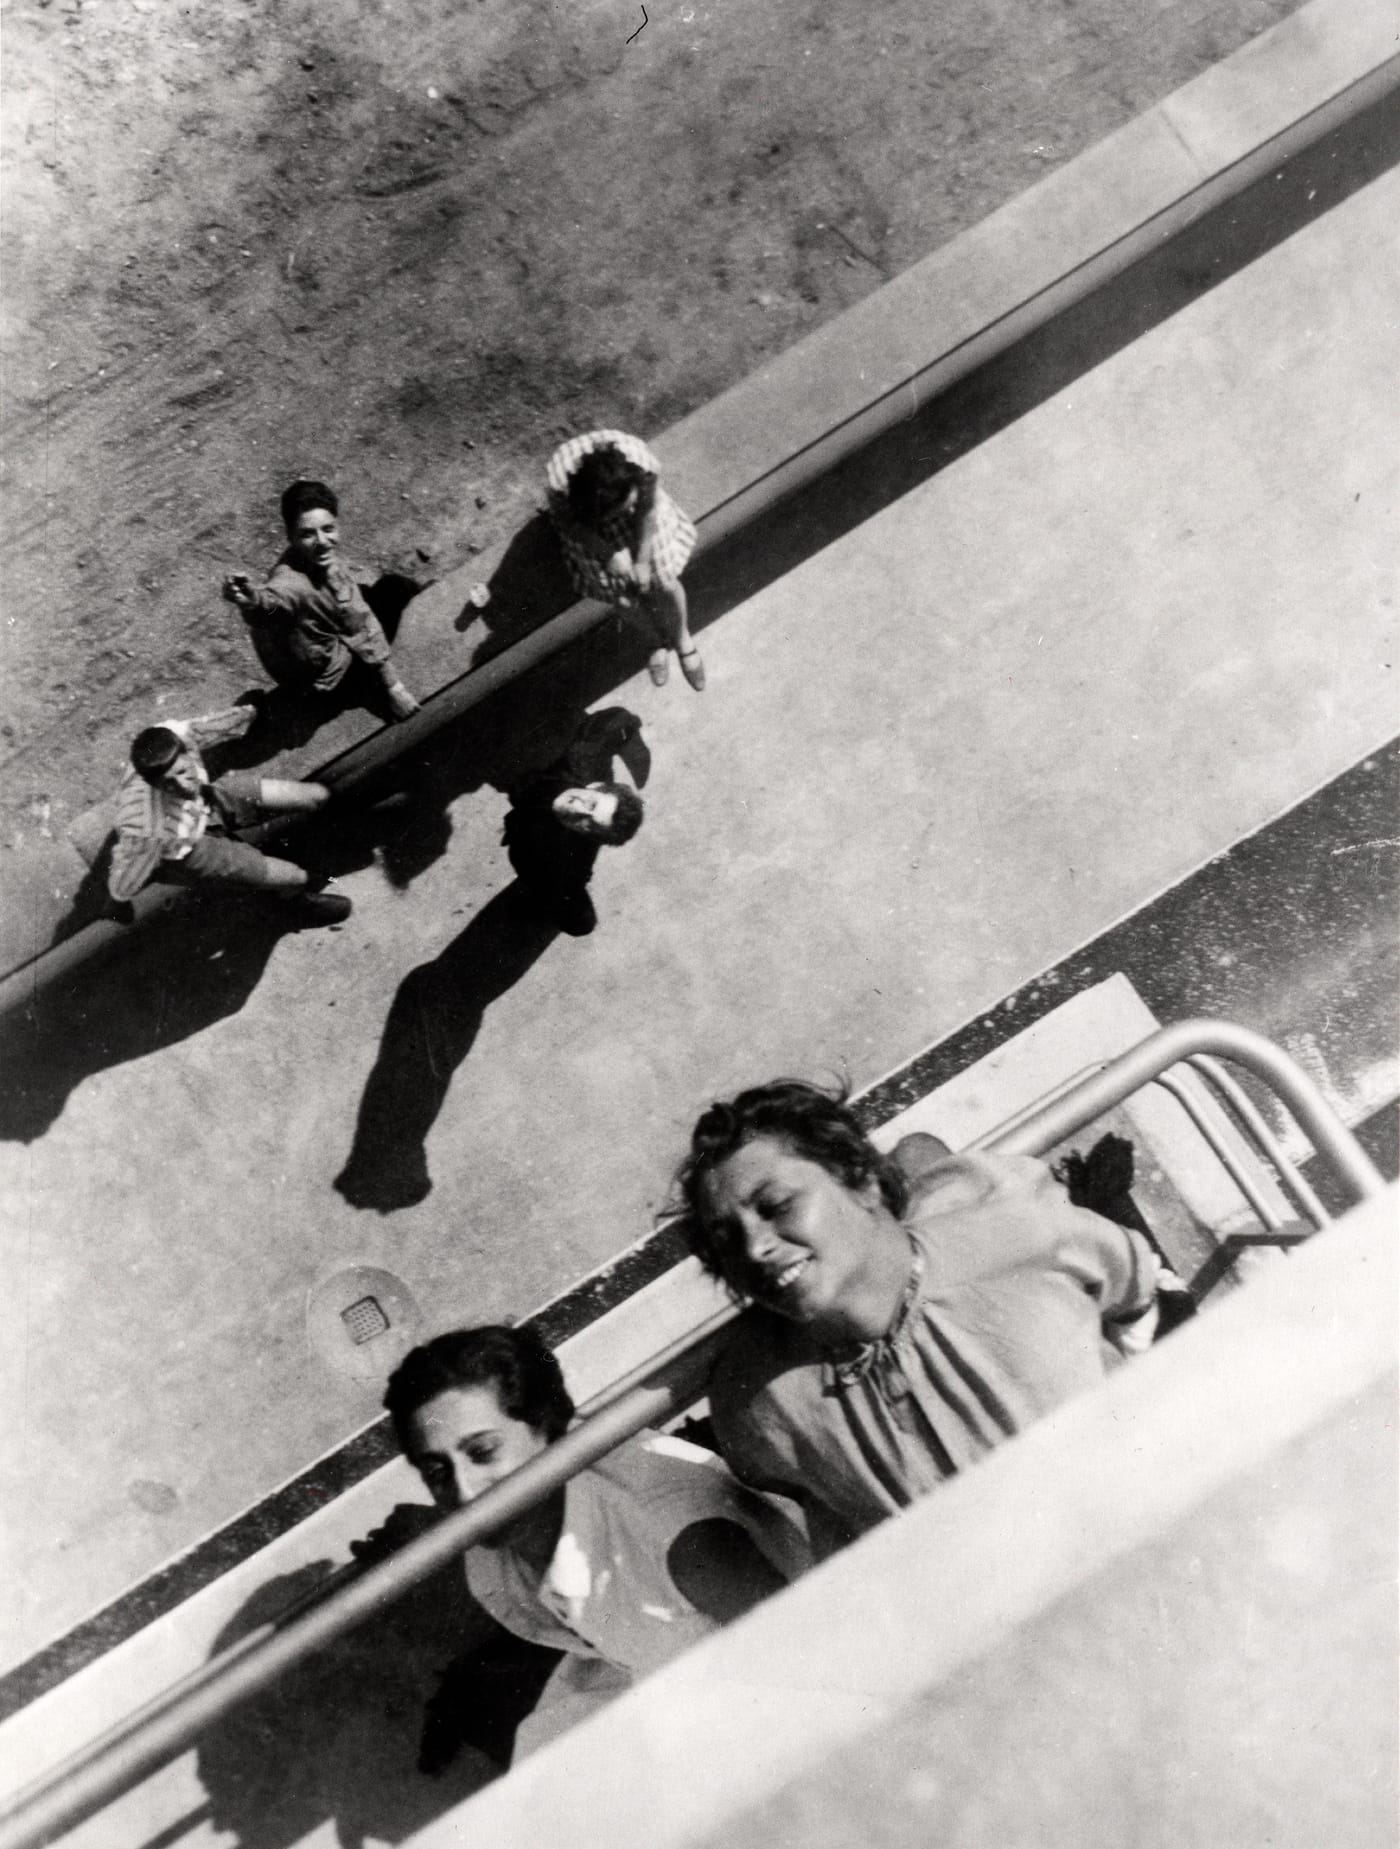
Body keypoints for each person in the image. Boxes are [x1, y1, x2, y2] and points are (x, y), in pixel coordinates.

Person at [675, 1080, 1166, 1562]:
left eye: (776, 1206)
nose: (755, 1247)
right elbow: (778, 1475)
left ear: (861, 1181)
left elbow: (1134, 1284)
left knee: (928, 1160)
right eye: (726, 1240)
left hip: (1146, 1531)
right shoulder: (761, 1398)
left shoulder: (1021, 1239)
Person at [385, 1326, 808, 1760]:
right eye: (437, 1472)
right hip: (656, 1674)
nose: (464, 1493)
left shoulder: (685, 1540)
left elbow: (814, 1668)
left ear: (548, 1428)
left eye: (483, 1452)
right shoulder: (498, 1543)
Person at [107, 702, 351, 923]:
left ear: (185, 751)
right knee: (294, 876)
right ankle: (291, 903)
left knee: (315, 796)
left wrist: (251, 712)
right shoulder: (148, 832)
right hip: (189, 848)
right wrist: (118, 901)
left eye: (183, 771)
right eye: (168, 784)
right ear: (153, 785)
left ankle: (349, 824)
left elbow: (209, 727)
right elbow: (127, 872)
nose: (182, 786)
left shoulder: (177, 736)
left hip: (207, 799)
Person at [222, 479, 421, 719]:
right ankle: (367, 688)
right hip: (332, 681)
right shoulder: (289, 585)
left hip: (313, 643)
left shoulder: (310, 560)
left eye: (328, 529)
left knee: (362, 591)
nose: (323, 542)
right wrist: (393, 686)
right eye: (307, 534)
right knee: (394, 588)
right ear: (290, 537)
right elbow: (273, 607)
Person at [545, 429, 705, 691]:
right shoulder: (560, 487)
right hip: (590, 525)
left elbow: (646, 510)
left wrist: (641, 560)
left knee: (664, 582)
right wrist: (607, 553)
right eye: (619, 512)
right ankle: (656, 641)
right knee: (620, 597)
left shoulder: (640, 465)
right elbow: (569, 524)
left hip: (640, 514)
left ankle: (681, 638)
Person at [502, 736, 644, 937]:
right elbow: (608, 723)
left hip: (537, 862)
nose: (578, 811)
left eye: (590, 824)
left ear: (591, 836)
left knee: (578, 921)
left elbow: (562, 883)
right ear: (594, 786)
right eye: (592, 804)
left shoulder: (572, 860)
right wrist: (632, 732)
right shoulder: (584, 758)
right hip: (526, 810)